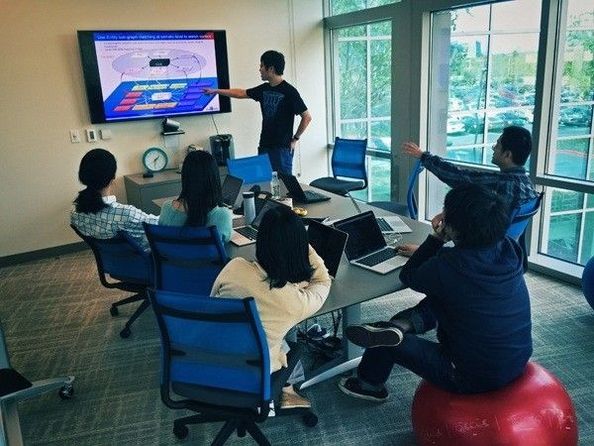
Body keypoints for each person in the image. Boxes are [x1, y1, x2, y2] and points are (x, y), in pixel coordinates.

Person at [339, 183, 532, 401]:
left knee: (383, 338)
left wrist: (435, 239)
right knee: (446, 299)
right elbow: (469, 264)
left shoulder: (449, 266)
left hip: (466, 375)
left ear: (453, 227)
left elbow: (409, 276)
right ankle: (403, 325)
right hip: (516, 359)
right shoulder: (510, 248)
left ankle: (368, 385)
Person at [211, 205, 331, 409]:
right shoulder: (293, 302)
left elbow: (211, 302)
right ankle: (288, 391)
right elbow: (323, 281)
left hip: (208, 357)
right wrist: (303, 244)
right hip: (253, 372)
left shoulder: (234, 267)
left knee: (270, 328)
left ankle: (287, 391)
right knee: (285, 337)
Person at [204, 50, 312, 175]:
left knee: (283, 183)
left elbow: (307, 117)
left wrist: (295, 139)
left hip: (282, 149)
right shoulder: (264, 89)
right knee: (264, 181)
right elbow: (240, 93)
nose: (259, 69)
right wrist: (216, 91)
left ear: (271, 69)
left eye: (262, 66)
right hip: (264, 145)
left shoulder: (290, 91)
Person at [402, 125, 539, 213]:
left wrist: (423, 156)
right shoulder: (528, 186)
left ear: (507, 154)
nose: (493, 149)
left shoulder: (503, 183)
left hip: (485, 245)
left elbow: (457, 176)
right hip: (506, 247)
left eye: (497, 146)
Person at [71, 148, 159, 251]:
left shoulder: (75, 214)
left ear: (83, 175)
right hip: (145, 258)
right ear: (112, 176)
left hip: (110, 260)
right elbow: (161, 224)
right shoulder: (126, 214)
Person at [158, 150, 232, 242]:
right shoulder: (222, 215)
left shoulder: (167, 208)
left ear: (185, 177)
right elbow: (226, 238)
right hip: (205, 252)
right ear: (214, 178)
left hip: (173, 252)